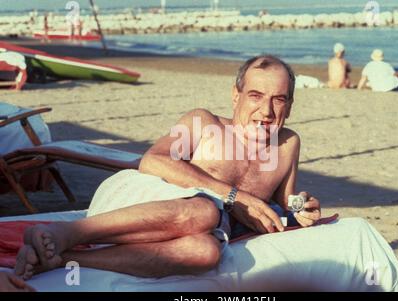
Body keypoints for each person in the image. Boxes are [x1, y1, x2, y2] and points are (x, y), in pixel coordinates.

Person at [15, 55, 322, 280]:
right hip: (143, 196)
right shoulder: (204, 123)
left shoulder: (288, 144)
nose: (266, 111)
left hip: (208, 230)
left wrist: (301, 207)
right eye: (256, 96)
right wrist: (235, 197)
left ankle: (64, 259)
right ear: (235, 95)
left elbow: (285, 200)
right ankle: (65, 233)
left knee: (205, 253)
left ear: (290, 105)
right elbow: (153, 160)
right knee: (205, 210)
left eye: (279, 99)